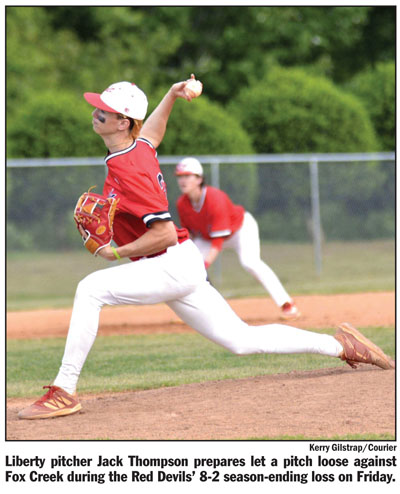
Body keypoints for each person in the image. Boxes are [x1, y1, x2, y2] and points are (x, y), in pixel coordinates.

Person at [18, 75, 394, 420]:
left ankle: (64, 390)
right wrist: (170, 95)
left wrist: (113, 253)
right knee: (241, 340)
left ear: (122, 123)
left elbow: (164, 233)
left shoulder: (130, 167)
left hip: (169, 262)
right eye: (98, 106)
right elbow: (153, 132)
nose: (96, 112)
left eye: (106, 110)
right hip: (179, 264)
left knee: (90, 289)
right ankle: (340, 346)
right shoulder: (135, 149)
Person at [175, 157, 299, 320]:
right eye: (180, 176)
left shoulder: (214, 198)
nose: (182, 180)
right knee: (186, 265)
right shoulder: (182, 204)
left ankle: (287, 304)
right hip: (208, 237)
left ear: (199, 179)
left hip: (241, 229)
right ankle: (193, 313)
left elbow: (218, 242)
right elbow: (189, 233)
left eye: (187, 176)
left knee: (250, 262)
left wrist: (203, 265)